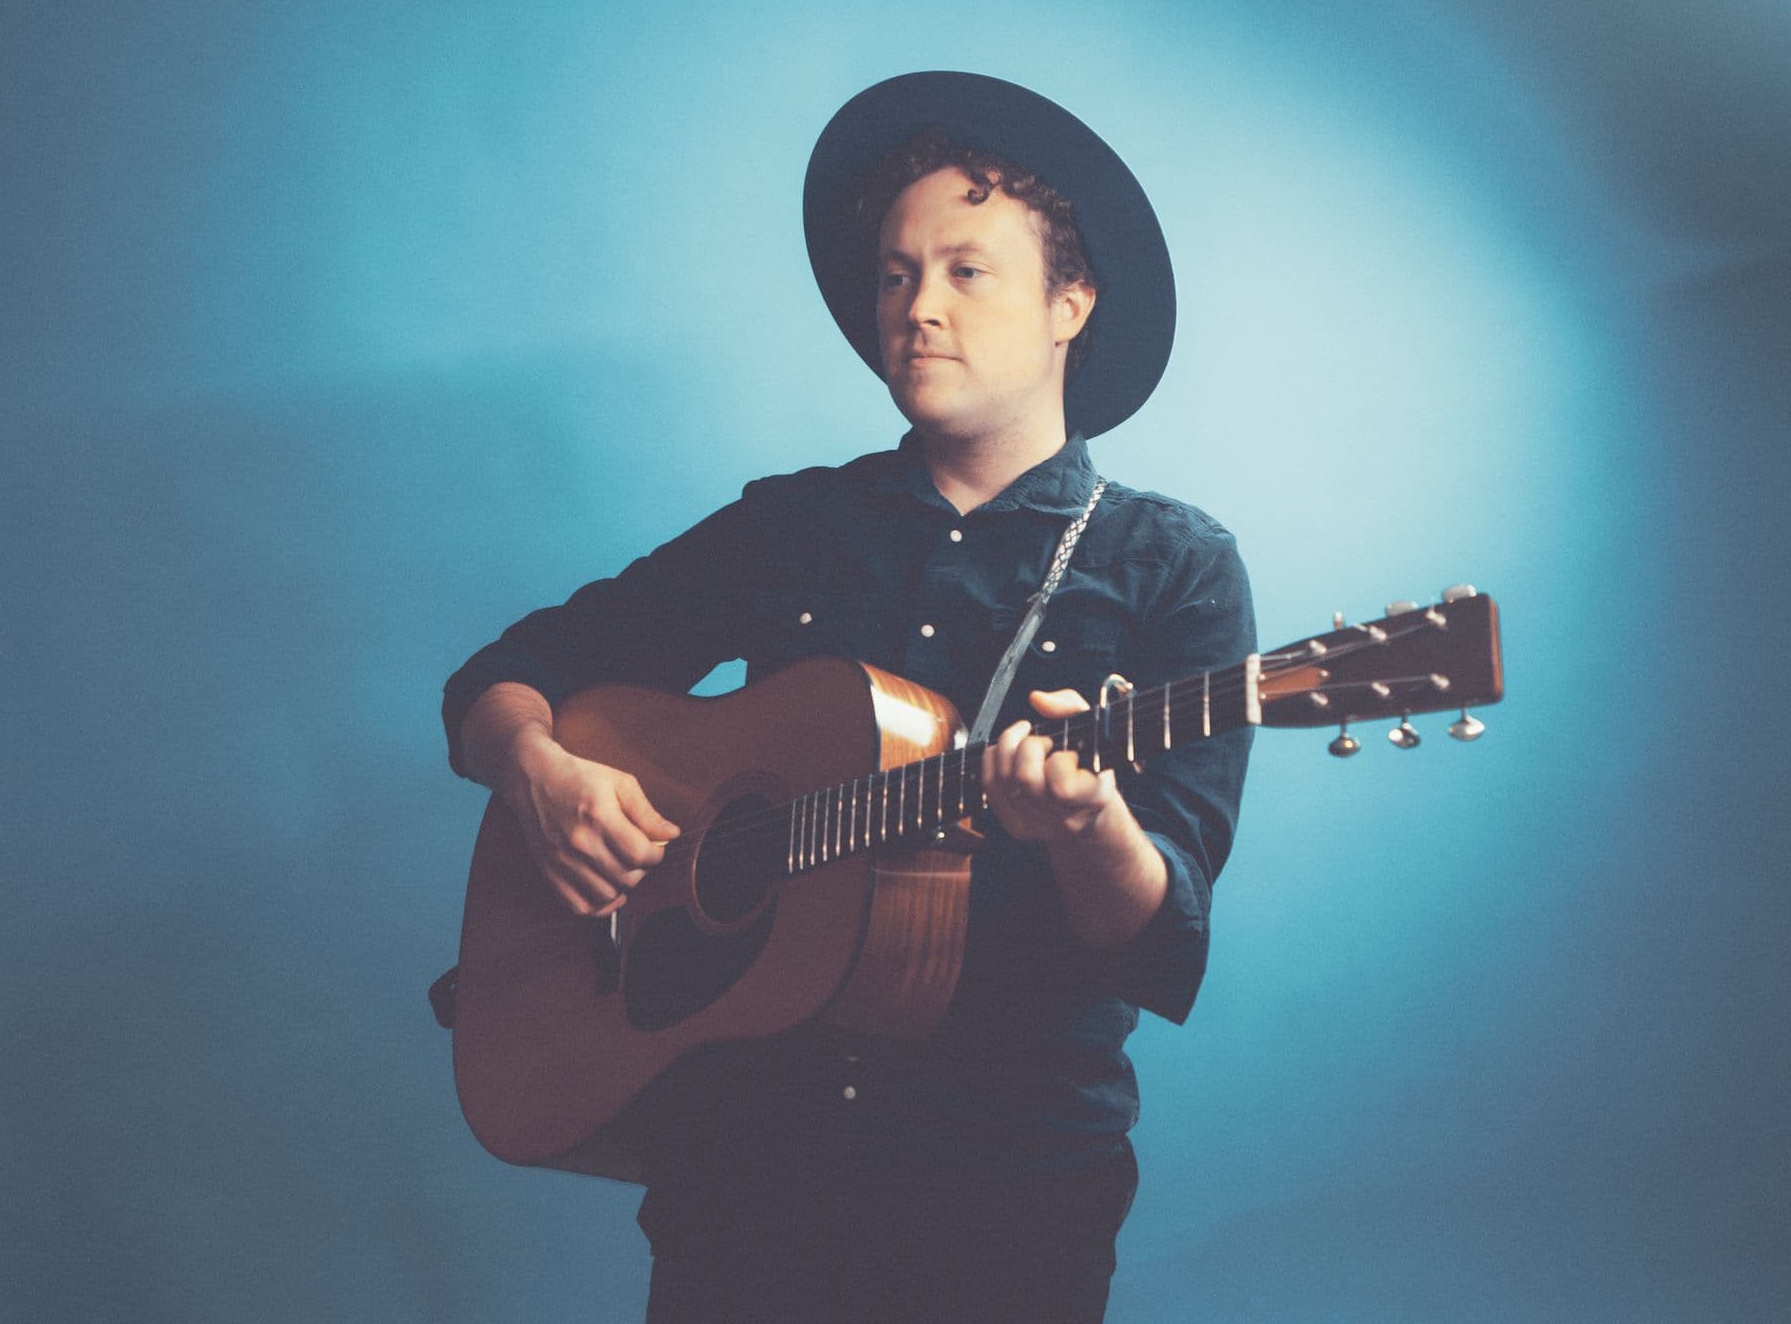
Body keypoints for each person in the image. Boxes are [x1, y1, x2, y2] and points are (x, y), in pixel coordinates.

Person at [441, 72, 1256, 1322]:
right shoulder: (793, 526)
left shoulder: (1173, 566)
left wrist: (1090, 824)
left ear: (1069, 305)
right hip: (741, 1180)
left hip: (1004, 1197)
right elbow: (506, 676)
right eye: (893, 275)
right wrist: (538, 773)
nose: (915, 309)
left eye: (964, 271)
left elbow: (1158, 937)